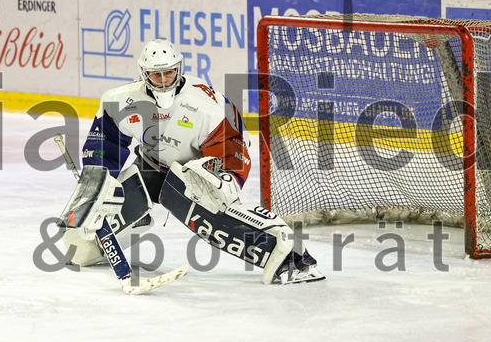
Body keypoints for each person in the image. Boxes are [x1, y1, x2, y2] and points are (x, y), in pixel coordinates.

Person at [58, 39, 324, 286]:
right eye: (155, 74)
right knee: (78, 245)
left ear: (179, 69)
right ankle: (114, 232)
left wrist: (225, 185)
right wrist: (99, 184)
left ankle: (293, 257)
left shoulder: (207, 105)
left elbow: (233, 151)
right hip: (150, 167)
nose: (163, 80)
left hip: (193, 175)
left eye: (169, 73)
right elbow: (105, 143)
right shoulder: (120, 100)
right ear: (143, 73)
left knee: (212, 223)